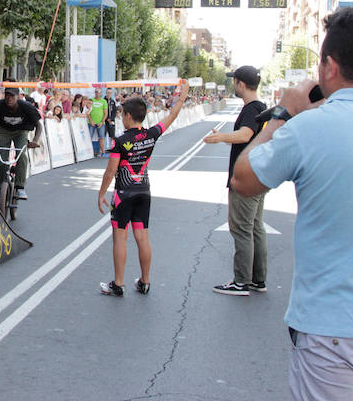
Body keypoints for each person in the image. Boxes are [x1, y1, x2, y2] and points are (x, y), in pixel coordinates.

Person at [231, 8, 353, 400]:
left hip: (333, 329)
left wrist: (282, 114)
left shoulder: (310, 128)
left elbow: (243, 180)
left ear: (329, 66)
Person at [96, 81, 190, 297]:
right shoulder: (151, 134)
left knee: (120, 237)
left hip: (123, 193)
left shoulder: (120, 141)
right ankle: (145, 281)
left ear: (128, 116)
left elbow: (110, 171)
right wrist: (182, 95)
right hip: (143, 192)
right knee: (143, 237)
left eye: (122, 115)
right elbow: (172, 115)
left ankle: (118, 284)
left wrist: (101, 193)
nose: (121, 118)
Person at [202, 65, 268, 296]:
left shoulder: (251, 109)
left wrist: (221, 137)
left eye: (234, 81)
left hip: (245, 176)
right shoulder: (262, 107)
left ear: (241, 84)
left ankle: (241, 281)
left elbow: (245, 134)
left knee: (241, 229)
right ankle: (258, 279)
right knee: (255, 228)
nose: (233, 84)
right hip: (259, 174)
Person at [0, 87, 43, 201]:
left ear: (18, 97)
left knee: (22, 155)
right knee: (1, 161)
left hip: (21, 131)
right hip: (4, 131)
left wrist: (35, 140)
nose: (9, 98)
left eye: (12, 96)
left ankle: (20, 187)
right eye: (7, 96)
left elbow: (39, 125)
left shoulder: (26, 106)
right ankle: (2, 187)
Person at [89, 88, 109, 157]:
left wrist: (102, 121)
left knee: (101, 137)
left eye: (99, 92)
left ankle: (103, 152)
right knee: (89, 137)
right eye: (96, 92)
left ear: (101, 93)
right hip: (91, 122)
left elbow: (106, 113)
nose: (97, 93)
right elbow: (87, 111)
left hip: (101, 123)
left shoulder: (104, 101)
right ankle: (89, 153)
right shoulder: (91, 100)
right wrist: (91, 120)